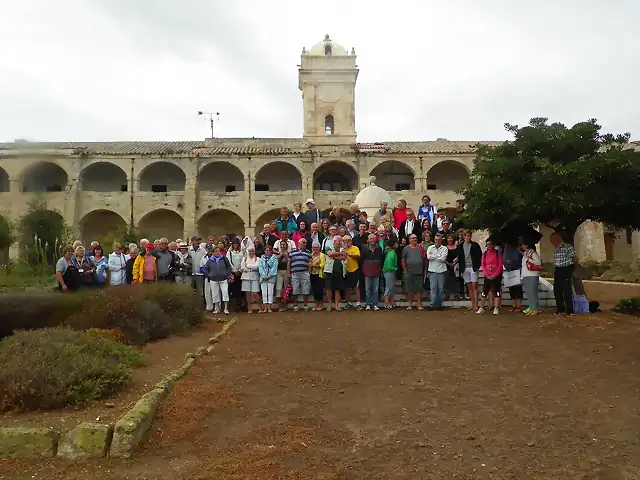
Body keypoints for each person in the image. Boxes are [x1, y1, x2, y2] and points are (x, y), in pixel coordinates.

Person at [550, 232, 577, 316]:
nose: (551, 242)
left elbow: (575, 259)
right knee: (557, 290)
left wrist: (571, 268)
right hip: (558, 269)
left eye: (552, 239)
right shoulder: (556, 249)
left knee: (566, 290)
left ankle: (569, 310)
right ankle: (560, 309)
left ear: (558, 239)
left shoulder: (567, 247)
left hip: (566, 268)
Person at [456, 230, 482, 311]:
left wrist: (477, 265)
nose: (469, 237)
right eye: (467, 236)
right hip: (465, 267)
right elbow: (459, 257)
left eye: (470, 236)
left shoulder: (475, 245)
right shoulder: (460, 246)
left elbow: (479, 255)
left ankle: (476, 305)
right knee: (469, 286)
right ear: (464, 236)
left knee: (475, 286)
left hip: (473, 267)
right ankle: (472, 304)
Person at [203, 245, 233, 315]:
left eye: (218, 251)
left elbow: (228, 266)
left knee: (225, 292)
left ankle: (226, 308)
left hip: (223, 279)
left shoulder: (224, 258)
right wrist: (209, 275)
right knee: (215, 294)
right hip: (213, 279)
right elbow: (206, 269)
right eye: (216, 251)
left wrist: (227, 273)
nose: (217, 252)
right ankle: (217, 308)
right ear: (213, 252)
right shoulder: (210, 260)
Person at [477, 239, 503, 315]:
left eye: (491, 244)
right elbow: (483, 265)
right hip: (487, 276)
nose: (489, 246)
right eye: (488, 244)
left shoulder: (498, 253)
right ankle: (481, 307)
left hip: (496, 275)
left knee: (497, 292)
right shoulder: (484, 254)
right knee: (484, 291)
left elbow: (500, 265)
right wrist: (487, 275)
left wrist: (494, 275)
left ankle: (496, 308)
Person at [401, 234, 426, 310]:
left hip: (419, 272)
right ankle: (410, 304)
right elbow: (403, 260)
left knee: (419, 289)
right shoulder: (406, 249)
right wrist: (405, 270)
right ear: (409, 240)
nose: (414, 239)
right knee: (409, 289)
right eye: (412, 238)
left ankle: (419, 304)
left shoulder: (421, 247)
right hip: (409, 272)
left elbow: (424, 258)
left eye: (415, 238)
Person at [288, 237, 312, 311]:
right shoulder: (292, 252)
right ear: (299, 243)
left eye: (305, 243)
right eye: (303, 242)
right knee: (295, 289)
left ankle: (305, 305)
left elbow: (310, 262)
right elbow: (289, 263)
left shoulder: (308, 252)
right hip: (295, 273)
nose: (305, 244)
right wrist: (288, 273)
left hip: (305, 272)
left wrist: (309, 272)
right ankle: (295, 305)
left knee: (306, 289)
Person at [323, 235, 347, 312]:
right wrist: (339, 254)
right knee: (329, 288)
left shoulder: (343, 249)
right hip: (329, 271)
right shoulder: (328, 247)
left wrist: (335, 256)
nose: (340, 242)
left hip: (339, 272)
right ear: (334, 241)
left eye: (341, 241)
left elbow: (344, 256)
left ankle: (336, 305)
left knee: (337, 289)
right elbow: (330, 254)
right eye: (339, 241)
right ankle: (330, 305)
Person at [361, 233, 383, 311]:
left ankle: (375, 304)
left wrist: (379, 269)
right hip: (367, 272)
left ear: (376, 239)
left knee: (375, 289)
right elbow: (361, 260)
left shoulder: (379, 248)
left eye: (373, 238)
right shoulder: (364, 248)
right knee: (368, 289)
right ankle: (368, 304)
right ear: (368, 240)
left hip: (376, 271)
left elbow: (381, 259)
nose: (372, 240)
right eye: (371, 239)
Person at [427, 233, 449, 310]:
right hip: (432, 271)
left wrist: (435, 256)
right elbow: (429, 257)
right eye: (436, 239)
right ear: (434, 240)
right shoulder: (430, 247)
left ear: (441, 240)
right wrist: (439, 256)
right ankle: (432, 304)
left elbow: (443, 259)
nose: (437, 241)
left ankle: (439, 304)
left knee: (440, 289)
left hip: (441, 271)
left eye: (439, 240)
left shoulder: (445, 248)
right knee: (433, 288)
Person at [521, 241, 543, 315]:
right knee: (529, 293)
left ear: (527, 245)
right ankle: (532, 306)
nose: (522, 246)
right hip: (526, 275)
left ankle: (535, 308)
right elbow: (523, 266)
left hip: (532, 275)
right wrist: (522, 277)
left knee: (532, 292)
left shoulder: (533, 253)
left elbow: (538, 262)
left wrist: (529, 259)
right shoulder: (525, 254)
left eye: (523, 245)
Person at [502, 241, 524, 312]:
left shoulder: (518, 250)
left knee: (518, 289)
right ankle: (514, 306)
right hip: (509, 271)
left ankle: (519, 306)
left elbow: (521, 259)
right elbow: (504, 260)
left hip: (518, 270)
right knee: (512, 289)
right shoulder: (506, 250)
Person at [343, 235, 362, 310]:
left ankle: (358, 304)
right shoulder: (342, 249)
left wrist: (349, 254)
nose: (347, 241)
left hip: (354, 270)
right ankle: (349, 303)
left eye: (348, 240)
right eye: (345, 240)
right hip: (345, 271)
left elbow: (358, 257)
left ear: (351, 240)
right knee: (347, 288)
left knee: (356, 288)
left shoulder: (355, 248)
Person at [240, 246, 261, 314]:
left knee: (255, 293)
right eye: (250, 251)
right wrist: (252, 267)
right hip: (245, 277)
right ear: (248, 252)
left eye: (252, 251)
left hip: (255, 277)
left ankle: (260, 308)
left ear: (254, 252)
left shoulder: (258, 259)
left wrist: (248, 266)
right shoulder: (244, 258)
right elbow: (243, 268)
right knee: (248, 294)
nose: (251, 252)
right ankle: (249, 308)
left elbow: (257, 267)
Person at [226, 238, 244, 312]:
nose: (235, 245)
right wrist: (234, 270)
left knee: (241, 289)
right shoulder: (229, 252)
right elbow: (228, 262)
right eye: (233, 244)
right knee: (234, 289)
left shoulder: (242, 252)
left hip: (241, 272)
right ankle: (236, 306)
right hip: (233, 273)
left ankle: (242, 305)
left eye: (236, 243)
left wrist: (240, 270)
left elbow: (243, 260)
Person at [258, 245, 278, 313]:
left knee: (270, 292)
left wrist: (269, 275)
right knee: (264, 293)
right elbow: (260, 268)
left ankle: (269, 308)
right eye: (266, 250)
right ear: (264, 251)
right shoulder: (261, 259)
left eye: (269, 250)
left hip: (271, 277)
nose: (268, 252)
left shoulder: (274, 258)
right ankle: (265, 308)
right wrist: (264, 276)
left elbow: (274, 267)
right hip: (263, 278)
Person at [189, 236, 207, 304]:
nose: (198, 242)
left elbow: (206, 260)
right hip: (190, 273)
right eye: (196, 240)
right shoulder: (188, 250)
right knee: (191, 291)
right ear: (192, 241)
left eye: (199, 241)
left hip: (200, 274)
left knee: (200, 291)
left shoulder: (203, 250)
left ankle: (200, 305)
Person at [309, 242, 326, 311]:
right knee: (314, 290)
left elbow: (322, 265)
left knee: (319, 290)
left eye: (317, 247)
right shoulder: (311, 255)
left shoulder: (322, 255)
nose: (315, 249)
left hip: (319, 275)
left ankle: (321, 304)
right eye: (314, 247)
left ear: (319, 248)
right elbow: (309, 264)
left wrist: (314, 266)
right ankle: (316, 304)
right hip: (312, 274)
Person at [274, 240, 290, 312]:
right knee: (279, 289)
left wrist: (286, 256)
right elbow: (275, 263)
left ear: (286, 245)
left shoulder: (289, 253)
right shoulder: (277, 254)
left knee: (286, 289)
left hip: (287, 271)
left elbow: (290, 262)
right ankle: (279, 306)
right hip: (279, 272)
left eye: (284, 245)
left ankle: (285, 305)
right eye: (281, 245)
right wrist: (280, 255)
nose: (282, 246)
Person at [382, 238, 398, 310]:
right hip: (389, 271)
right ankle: (386, 303)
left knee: (391, 287)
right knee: (389, 287)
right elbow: (389, 265)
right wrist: (395, 269)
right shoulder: (391, 252)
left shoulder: (390, 252)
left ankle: (391, 303)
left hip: (389, 271)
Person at [444, 234, 459, 299]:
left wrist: (454, 263)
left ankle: (456, 294)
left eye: (451, 238)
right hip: (446, 265)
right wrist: (448, 264)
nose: (450, 239)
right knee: (447, 279)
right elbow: (443, 257)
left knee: (455, 279)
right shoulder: (444, 247)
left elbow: (459, 255)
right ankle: (447, 294)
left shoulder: (457, 247)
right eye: (448, 238)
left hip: (456, 265)